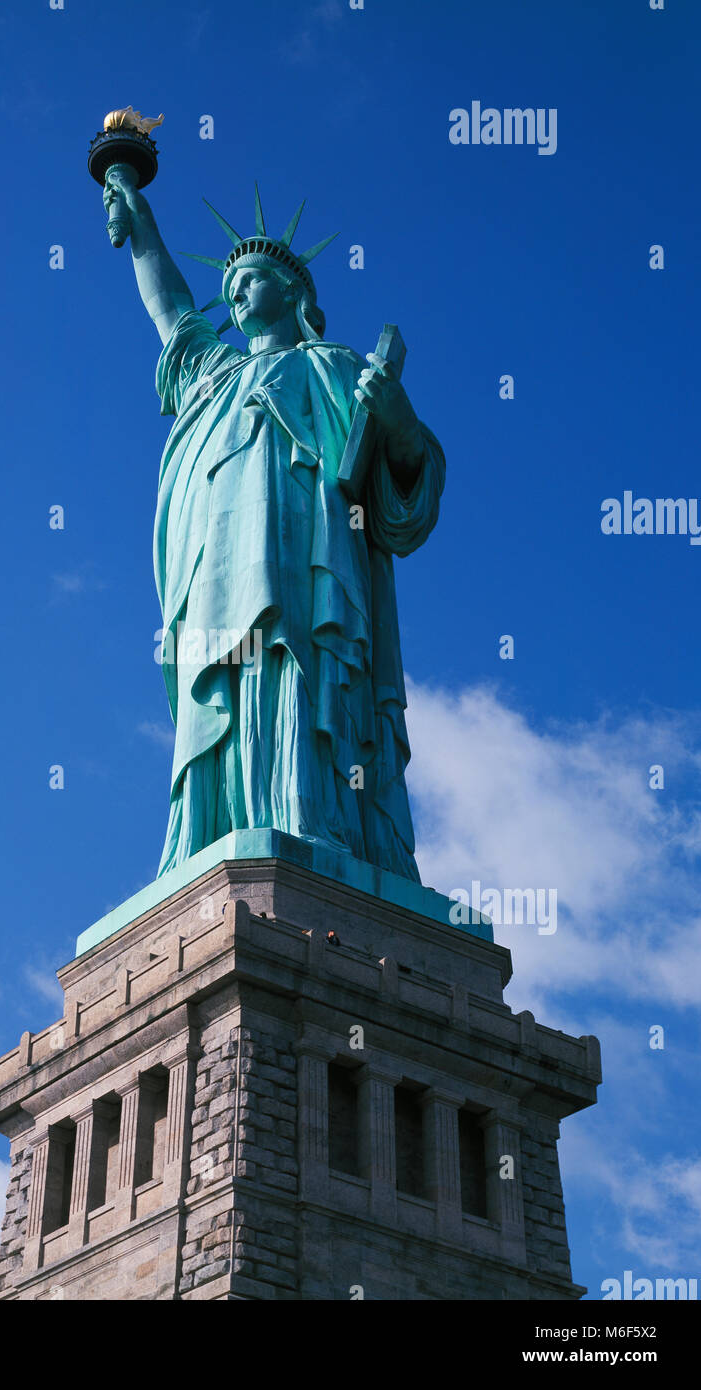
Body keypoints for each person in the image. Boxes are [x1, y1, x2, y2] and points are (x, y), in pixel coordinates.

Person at [103, 172, 445, 883]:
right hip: (216, 578)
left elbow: (403, 486)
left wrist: (399, 420)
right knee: (225, 688)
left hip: (308, 570)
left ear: (292, 293)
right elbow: (171, 313)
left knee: (297, 674)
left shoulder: (336, 369)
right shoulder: (213, 377)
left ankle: (307, 820)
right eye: (229, 284)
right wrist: (140, 228)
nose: (235, 292)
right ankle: (215, 833)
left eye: (251, 278)